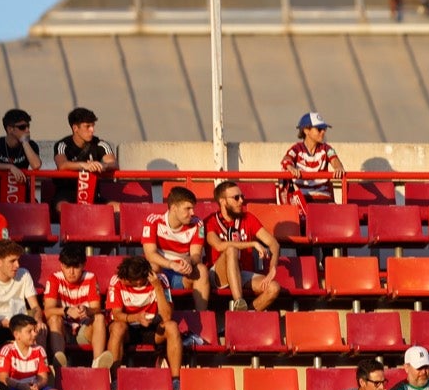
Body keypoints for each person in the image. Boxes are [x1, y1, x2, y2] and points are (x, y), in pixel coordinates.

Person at [105, 255, 183, 389]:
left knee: (172, 327)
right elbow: (116, 315)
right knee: (117, 328)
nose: (123, 281)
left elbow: (167, 316)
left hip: (153, 328)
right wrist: (136, 317)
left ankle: (176, 381)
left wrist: (157, 287)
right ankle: (115, 381)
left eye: (128, 280)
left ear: (140, 281)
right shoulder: (117, 281)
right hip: (127, 329)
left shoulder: (160, 280)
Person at [207, 178, 282, 312]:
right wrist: (253, 243)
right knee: (231, 249)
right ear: (222, 201)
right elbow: (218, 246)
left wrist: (273, 268)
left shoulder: (248, 218)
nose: (241, 201)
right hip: (218, 274)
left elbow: (273, 244)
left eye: (242, 196)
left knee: (274, 287)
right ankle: (239, 301)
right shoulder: (210, 221)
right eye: (236, 198)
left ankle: (244, 314)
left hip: (242, 273)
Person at [41, 242, 112, 370]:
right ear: (62, 265)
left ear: (83, 265)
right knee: (54, 319)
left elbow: (96, 308)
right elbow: (47, 311)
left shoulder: (90, 277)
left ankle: (98, 365)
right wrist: (67, 310)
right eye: (68, 267)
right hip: (64, 331)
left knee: (99, 318)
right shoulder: (54, 278)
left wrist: (87, 310)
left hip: (84, 330)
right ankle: (59, 364)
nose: (71, 272)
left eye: (76, 267)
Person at [140, 185, 210, 311]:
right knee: (152, 266)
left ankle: (202, 316)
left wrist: (189, 262)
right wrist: (171, 264)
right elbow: (150, 254)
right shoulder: (153, 221)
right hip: (161, 271)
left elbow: (196, 255)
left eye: (193, 208)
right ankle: (156, 315)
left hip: (182, 273)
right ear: (173, 208)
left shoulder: (197, 223)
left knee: (202, 270)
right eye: (187, 209)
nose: (192, 213)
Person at [51, 106, 117, 208]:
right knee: (63, 207)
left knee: (118, 208)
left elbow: (114, 163)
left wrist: (103, 165)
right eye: (87, 126)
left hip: (93, 195)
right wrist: (84, 166)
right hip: (66, 194)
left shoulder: (100, 144)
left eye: (93, 126)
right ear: (75, 128)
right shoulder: (62, 145)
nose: (92, 130)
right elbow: (62, 164)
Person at [0, 109, 41, 204]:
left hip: (23, 192)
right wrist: (10, 167)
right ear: (10, 129)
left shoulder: (31, 145)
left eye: (28, 126)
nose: (27, 130)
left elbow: (36, 165)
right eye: (22, 127)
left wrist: (24, 142)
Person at [283, 111, 344, 203]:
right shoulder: (296, 148)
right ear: (306, 130)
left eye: (324, 129)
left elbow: (335, 160)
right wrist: (290, 168)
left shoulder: (327, 148)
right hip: (302, 200)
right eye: (319, 129)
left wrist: (338, 168)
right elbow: (287, 159)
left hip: (324, 199)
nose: (323, 132)